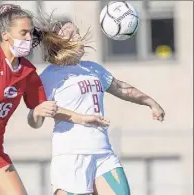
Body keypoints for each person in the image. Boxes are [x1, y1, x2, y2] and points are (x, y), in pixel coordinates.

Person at [0, 4, 109, 195]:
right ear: (5, 35)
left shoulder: (27, 72)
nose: (28, 38)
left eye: (30, 33)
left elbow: (43, 109)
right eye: (23, 32)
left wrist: (82, 118)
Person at [29, 20, 165, 195]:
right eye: (73, 34)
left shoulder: (93, 69)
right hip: (71, 155)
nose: (79, 36)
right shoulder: (49, 76)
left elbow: (121, 88)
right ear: (58, 43)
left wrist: (150, 102)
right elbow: (35, 117)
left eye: (78, 32)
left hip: (102, 152)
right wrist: (36, 113)